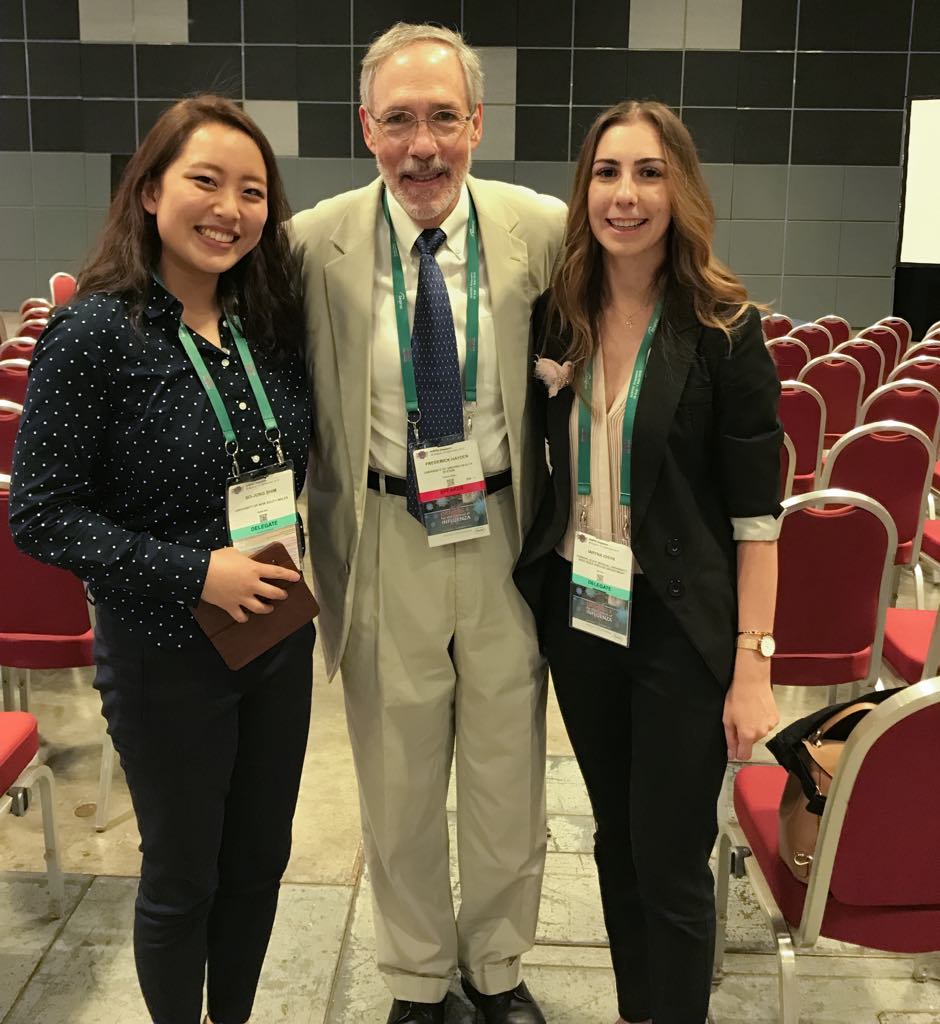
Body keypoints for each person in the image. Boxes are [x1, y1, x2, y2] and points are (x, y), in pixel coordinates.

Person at [9, 95, 314, 1024]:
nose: (230, 209)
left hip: (276, 636)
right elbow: (39, 515)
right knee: (185, 875)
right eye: (205, 181)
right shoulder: (95, 334)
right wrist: (197, 571)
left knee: (259, 863)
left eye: (252, 191)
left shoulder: (269, 326)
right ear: (149, 191)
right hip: (164, 649)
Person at [290, 22, 566, 1024]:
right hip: (378, 536)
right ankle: (414, 977)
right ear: (365, 128)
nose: (422, 146)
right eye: (398, 120)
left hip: (503, 530)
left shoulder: (543, 228)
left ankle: (496, 966)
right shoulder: (310, 243)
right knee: (397, 775)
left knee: (507, 769)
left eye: (443, 118)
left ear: (477, 124)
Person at [514, 100, 783, 1024]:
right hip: (581, 610)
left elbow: (757, 521)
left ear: (680, 191)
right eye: (607, 172)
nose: (624, 195)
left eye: (648, 173)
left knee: (670, 860)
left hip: (677, 622)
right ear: (583, 189)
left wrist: (753, 663)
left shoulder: (725, 328)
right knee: (616, 843)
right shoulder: (556, 319)